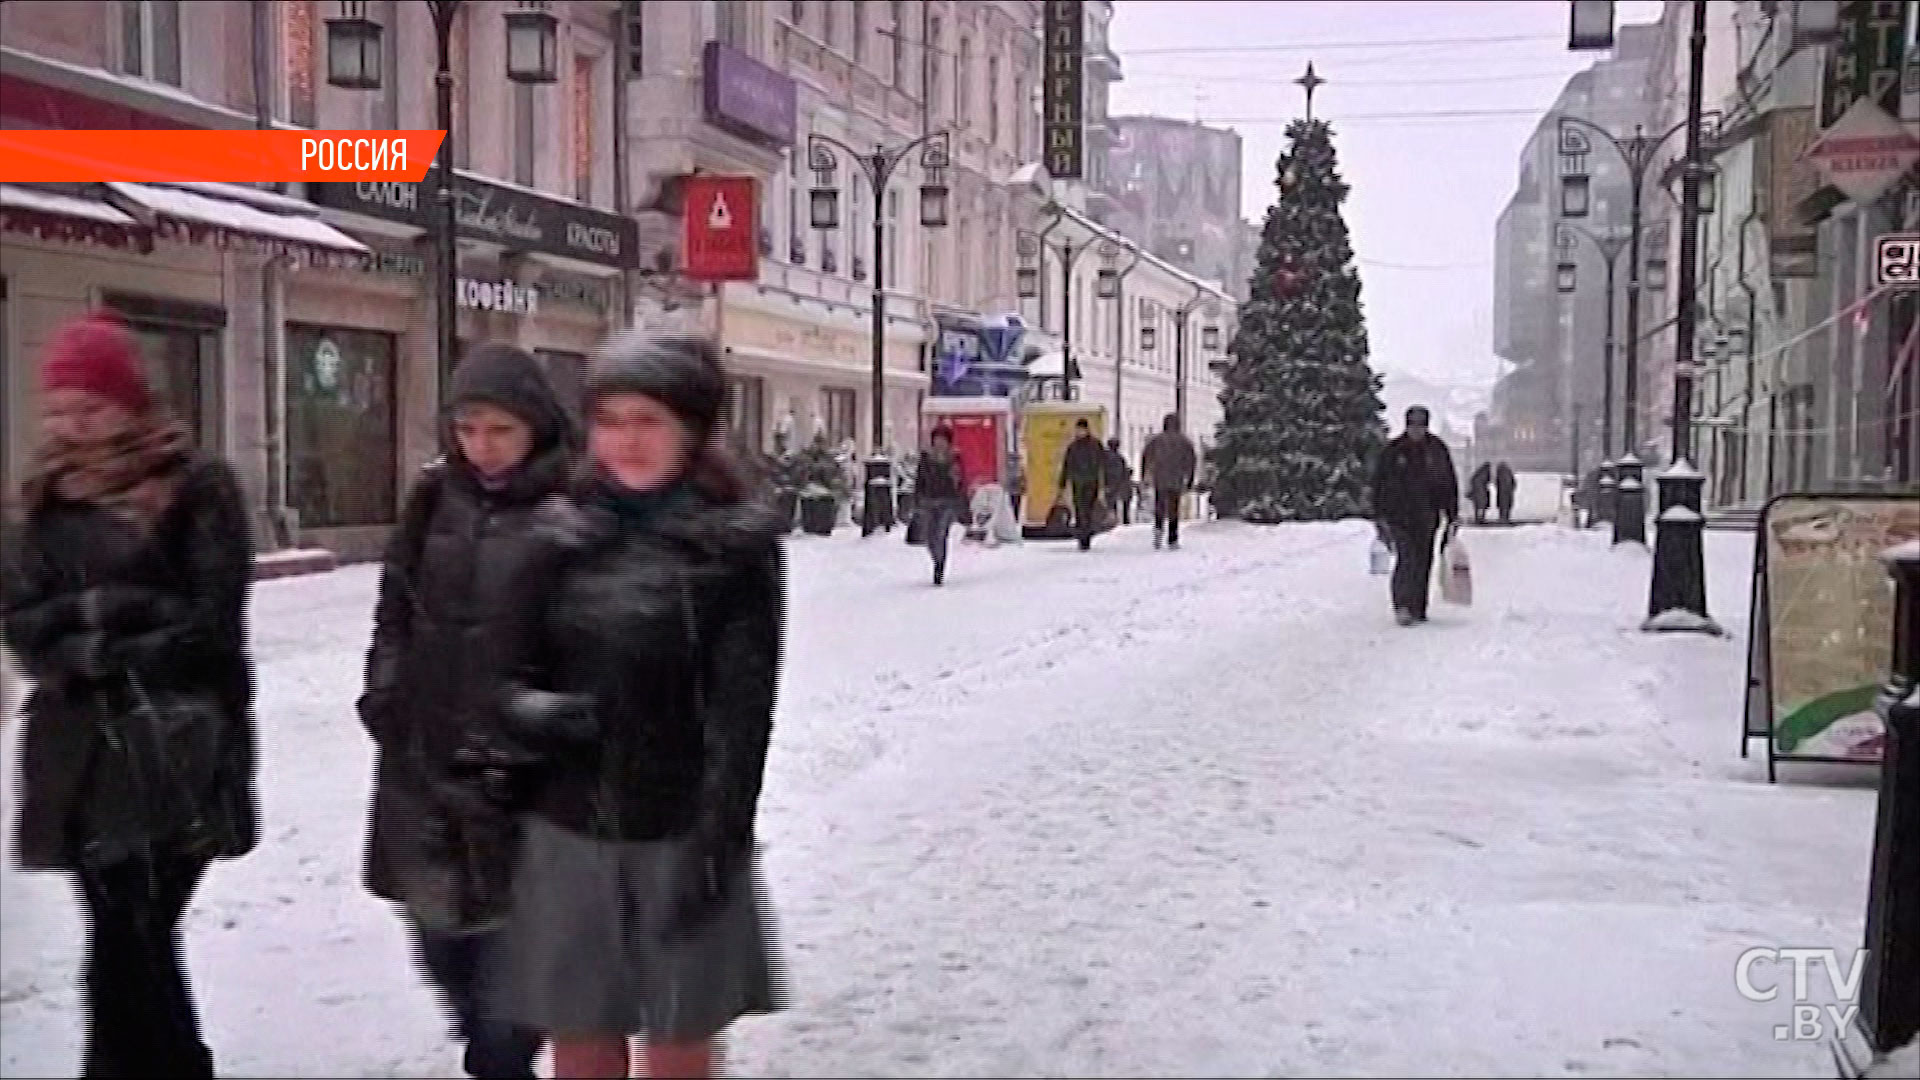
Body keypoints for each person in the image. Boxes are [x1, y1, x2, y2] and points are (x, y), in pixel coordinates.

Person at [493, 332, 785, 1080]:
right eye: (611, 420)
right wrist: (534, 713)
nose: (627, 440)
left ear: (689, 429)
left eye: (648, 420)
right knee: (581, 1043)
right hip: (568, 831)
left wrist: (719, 841)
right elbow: (502, 674)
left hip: (680, 833)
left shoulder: (733, 546)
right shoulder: (560, 532)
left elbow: (742, 712)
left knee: (679, 1046)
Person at [1, 310, 259, 1077]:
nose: (73, 427)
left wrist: (97, 636)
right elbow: (24, 626)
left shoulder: (196, 487)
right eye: (59, 410)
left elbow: (209, 625)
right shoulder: (42, 501)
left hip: (176, 754)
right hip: (78, 763)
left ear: (130, 401)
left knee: (125, 952)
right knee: (131, 952)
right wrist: (108, 625)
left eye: (91, 408)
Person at [357, 343, 574, 1080]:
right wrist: (384, 691)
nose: (481, 446)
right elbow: (394, 606)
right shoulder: (432, 499)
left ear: (536, 427)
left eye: (500, 430)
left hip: (520, 779)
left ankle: (502, 1053)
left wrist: (538, 728)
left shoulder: (569, 512)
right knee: (439, 939)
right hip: (424, 761)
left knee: (512, 976)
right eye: (469, 428)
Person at [1371, 405, 1459, 627]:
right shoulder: (1393, 451)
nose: (1416, 431)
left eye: (1421, 426)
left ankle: (1419, 607)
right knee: (1406, 559)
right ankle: (1402, 606)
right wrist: (1379, 514)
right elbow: (1378, 484)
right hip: (1399, 516)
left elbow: (1449, 483)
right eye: (1413, 426)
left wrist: (1452, 515)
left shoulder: (1437, 450)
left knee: (1424, 561)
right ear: (1406, 425)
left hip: (1428, 516)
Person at [915, 425, 968, 586]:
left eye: (943, 439)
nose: (939, 442)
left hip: (948, 501)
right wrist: (917, 498)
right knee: (929, 537)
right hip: (929, 501)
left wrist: (962, 501)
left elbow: (961, 481)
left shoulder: (954, 458)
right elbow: (920, 479)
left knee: (940, 534)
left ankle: (939, 568)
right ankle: (936, 558)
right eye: (937, 439)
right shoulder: (926, 457)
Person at [1140, 412, 1199, 551]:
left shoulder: (1155, 440)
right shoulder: (1185, 442)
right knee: (1174, 508)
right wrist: (1189, 479)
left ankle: (1158, 529)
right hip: (1176, 479)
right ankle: (1173, 537)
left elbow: (1146, 457)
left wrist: (1145, 475)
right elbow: (1191, 461)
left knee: (1159, 505)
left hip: (1159, 478)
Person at [1058, 418, 1107, 551]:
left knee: (1089, 509)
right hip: (1077, 482)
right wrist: (1062, 483)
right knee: (1080, 509)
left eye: (1081, 429)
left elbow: (1103, 463)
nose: (1079, 432)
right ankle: (1083, 538)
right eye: (1077, 429)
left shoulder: (1095, 445)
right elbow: (1066, 465)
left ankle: (1086, 534)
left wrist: (1105, 482)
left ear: (1086, 429)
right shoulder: (1073, 446)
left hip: (1092, 481)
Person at [1102, 437, 1133, 526]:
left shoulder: (1105, 456)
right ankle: (1125, 519)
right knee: (1123, 499)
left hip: (1109, 482)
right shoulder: (1119, 458)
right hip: (1116, 482)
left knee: (1112, 502)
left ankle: (1114, 518)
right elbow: (1123, 471)